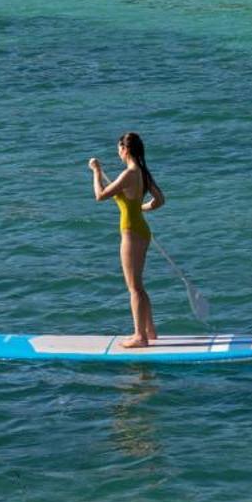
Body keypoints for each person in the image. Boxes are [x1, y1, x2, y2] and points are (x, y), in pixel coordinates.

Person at [89, 132, 165, 347]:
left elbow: (100, 195)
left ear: (125, 149)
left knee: (134, 287)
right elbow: (160, 200)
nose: (118, 152)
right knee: (139, 285)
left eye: (118, 148)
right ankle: (150, 331)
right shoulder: (143, 172)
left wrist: (96, 171)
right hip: (142, 229)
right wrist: (140, 208)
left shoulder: (128, 174)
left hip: (131, 232)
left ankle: (140, 337)